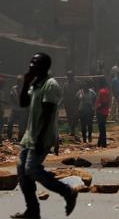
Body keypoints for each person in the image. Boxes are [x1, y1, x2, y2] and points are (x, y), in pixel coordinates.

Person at [11, 53, 77, 219]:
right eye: (31, 62)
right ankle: (32, 210)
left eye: (35, 63)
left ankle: (67, 191)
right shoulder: (37, 84)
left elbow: (47, 114)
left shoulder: (50, 85)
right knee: (22, 173)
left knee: (31, 169)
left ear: (44, 66)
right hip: (29, 136)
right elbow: (23, 103)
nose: (31, 65)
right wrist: (26, 83)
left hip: (42, 136)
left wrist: (39, 138)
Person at [7, 75, 29, 141]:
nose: (19, 82)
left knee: (21, 125)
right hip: (15, 109)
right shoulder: (14, 88)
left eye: (20, 81)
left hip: (22, 110)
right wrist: (13, 103)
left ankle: (20, 138)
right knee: (10, 122)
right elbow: (11, 97)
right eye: (18, 81)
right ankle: (9, 137)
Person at [62, 70, 79, 137]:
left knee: (75, 117)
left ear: (73, 76)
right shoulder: (65, 85)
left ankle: (73, 130)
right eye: (68, 76)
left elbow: (81, 92)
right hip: (68, 104)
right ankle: (72, 130)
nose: (69, 77)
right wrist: (61, 103)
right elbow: (63, 95)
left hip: (75, 103)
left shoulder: (77, 83)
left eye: (70, 76)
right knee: (69, 117)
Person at [95, 78, 111, 148]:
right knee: (101, 128)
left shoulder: (102, 91)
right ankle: (99, 143)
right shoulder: (106, 90)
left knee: (102, 129)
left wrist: (97, 108)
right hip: (104, 111)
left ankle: (103, 143)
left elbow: (104, 103)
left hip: (101, 112)